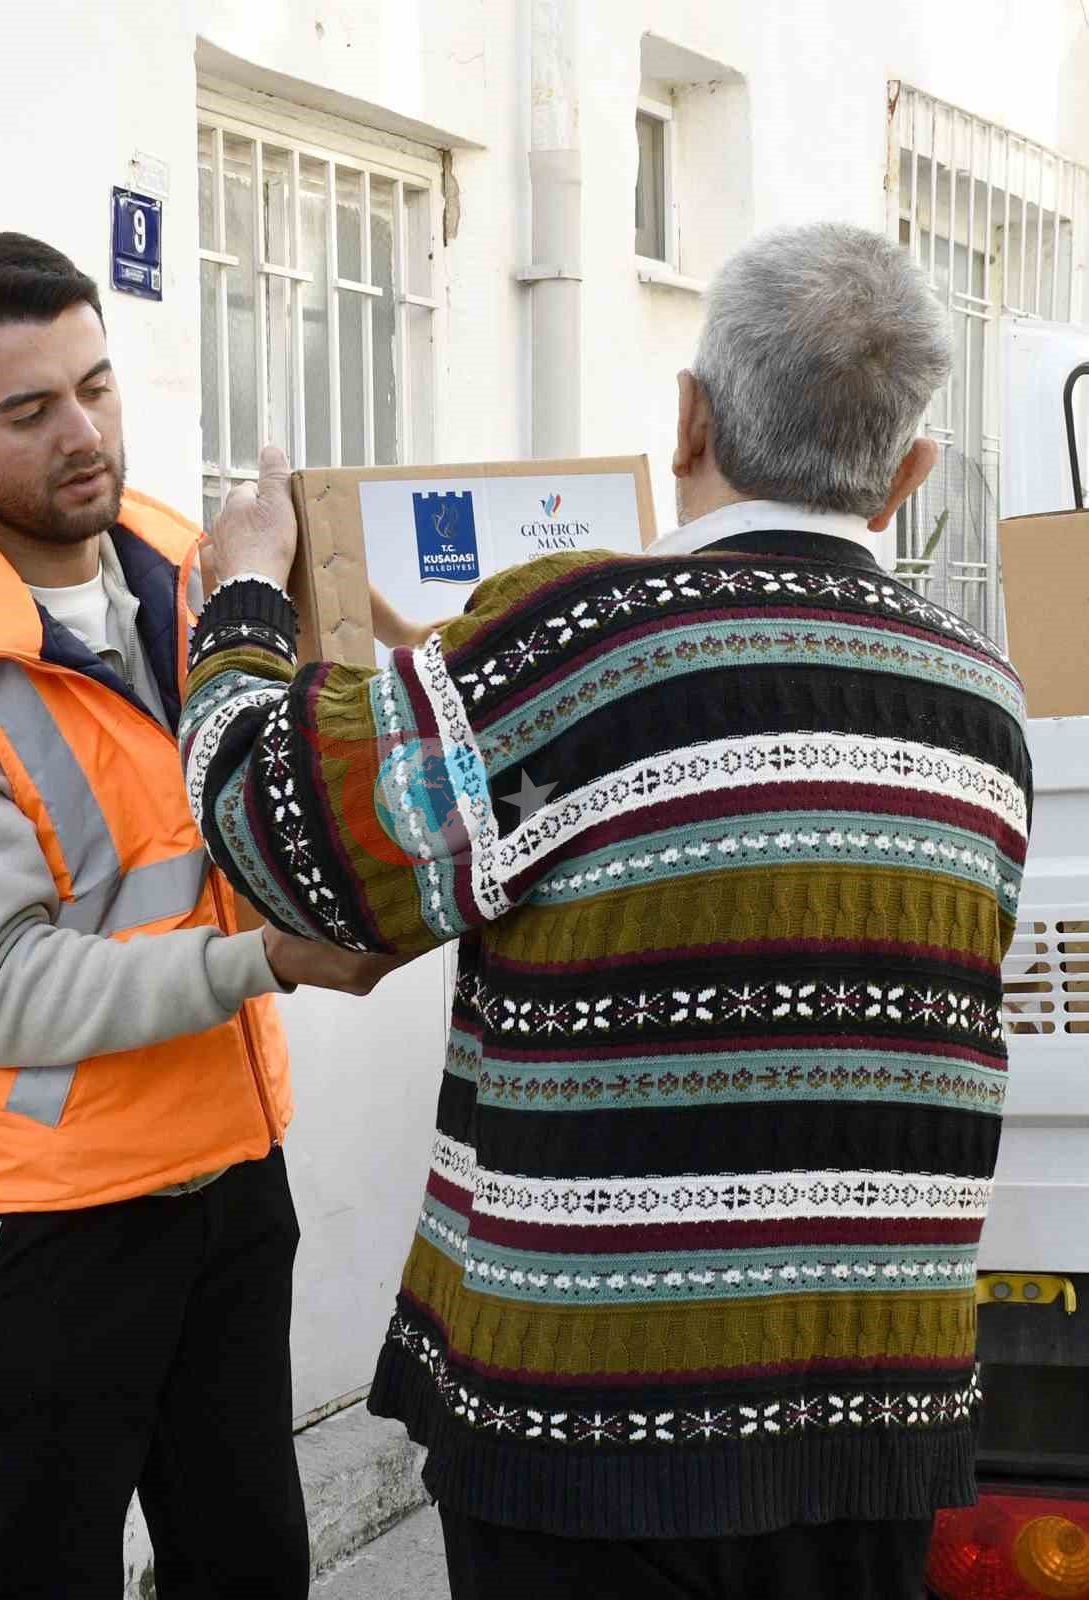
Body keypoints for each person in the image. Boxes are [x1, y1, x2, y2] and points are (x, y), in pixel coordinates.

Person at [181, 222, 1031, 1600]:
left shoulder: (577, 638)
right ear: (908, 472)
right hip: (875, 1411)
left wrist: (239, 603)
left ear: (687, 415)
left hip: (594, 1431)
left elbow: (274, 832)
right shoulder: (976, 695)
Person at [0, 232, 399, 1600]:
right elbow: (1, 992)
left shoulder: (186, 571)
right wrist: (265, 957)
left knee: (247, 1569)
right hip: (45, 1223)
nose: (84, 434)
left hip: (228, 1172)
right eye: (29, 410)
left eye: (97, 385)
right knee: (48, 1577)